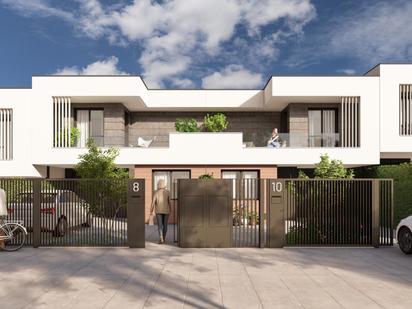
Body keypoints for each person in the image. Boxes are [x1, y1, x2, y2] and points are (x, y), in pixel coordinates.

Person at [150, 179, 171, 244]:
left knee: (160, 226)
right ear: (164, 184)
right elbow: (169, 202)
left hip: (158, 211)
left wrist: (151, 210)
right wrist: (171, 209)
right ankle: (164, 238)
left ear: (158, 184)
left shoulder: (156, 192)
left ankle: (161, 238)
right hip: (166, 211)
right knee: (165, 225)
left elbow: (153, 202)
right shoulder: (168, 192)